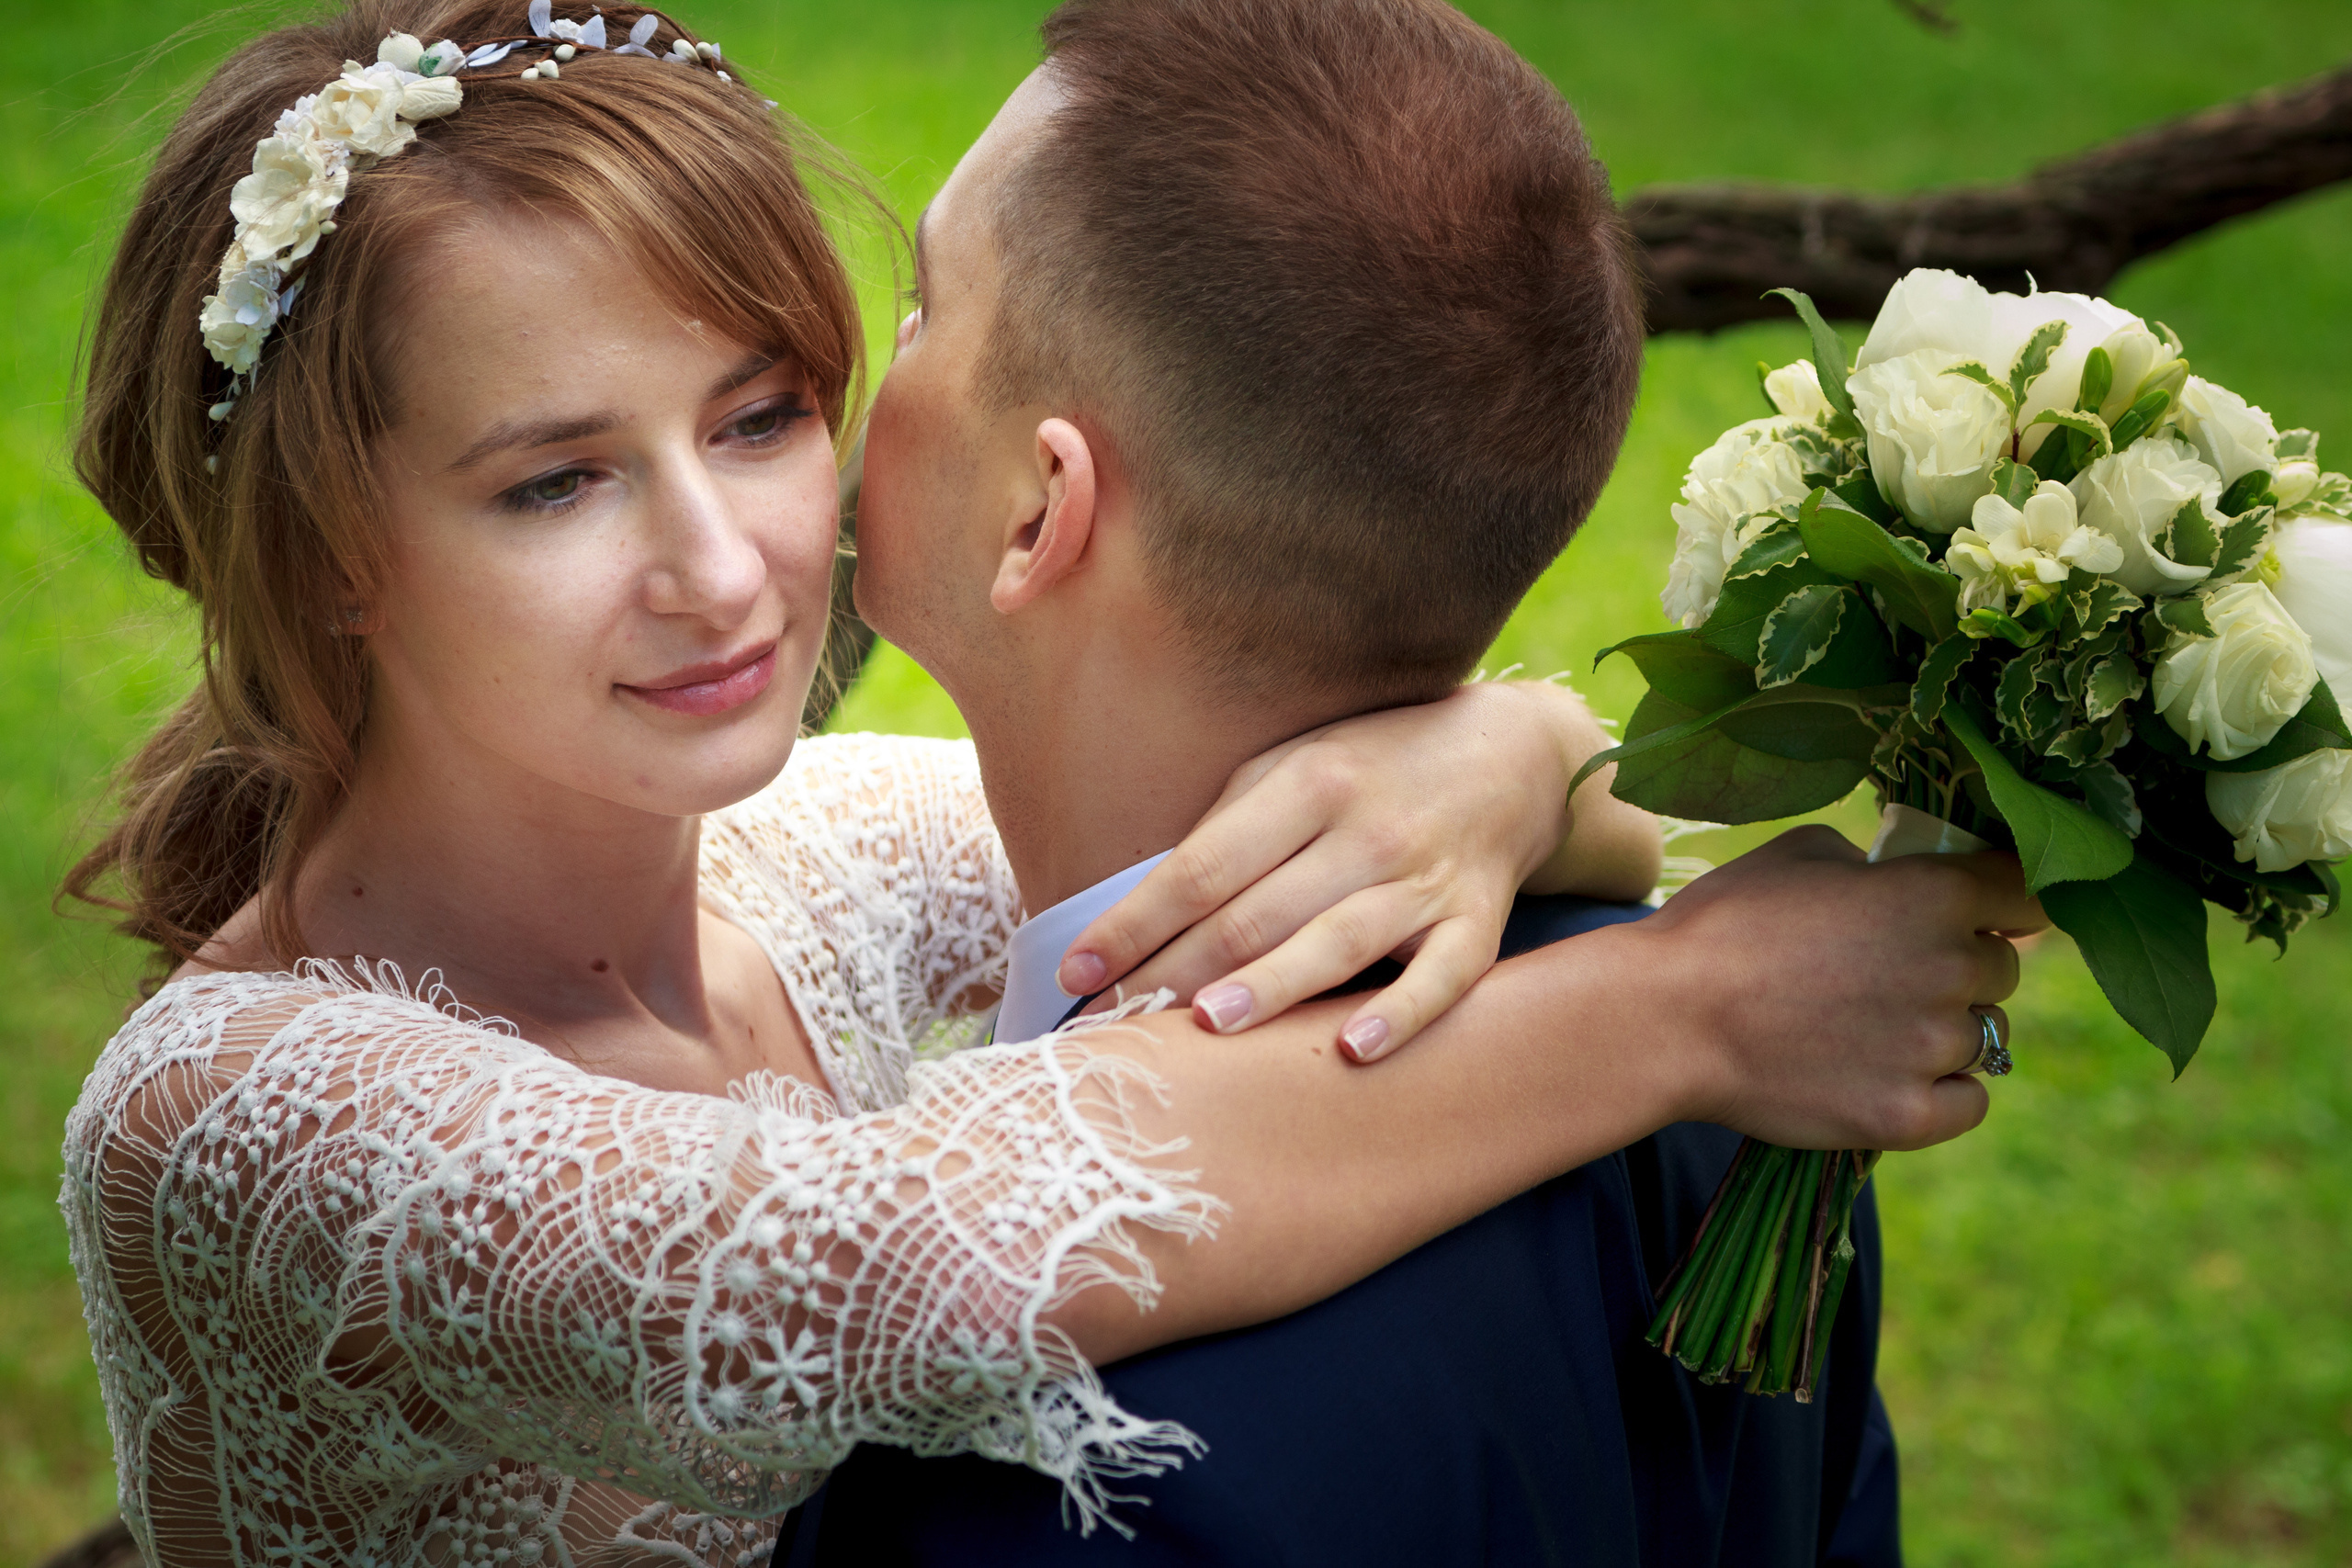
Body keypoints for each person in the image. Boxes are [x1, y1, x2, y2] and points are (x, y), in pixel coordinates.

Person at [54, 4, 2030, 1566]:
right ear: (327, 545)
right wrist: (1683, 1006)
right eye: (556, 481)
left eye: (758, 417)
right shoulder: (229, 1113)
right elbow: (885, 1261)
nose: (722, 568)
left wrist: (1510, 755)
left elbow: (1244, 838)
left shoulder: (811, 854)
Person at [772, 2, 1942, 1562]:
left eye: (927, 304)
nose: (866, 372)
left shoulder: (1061, 1463)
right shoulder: (1742, 1085)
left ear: (1041, 512)